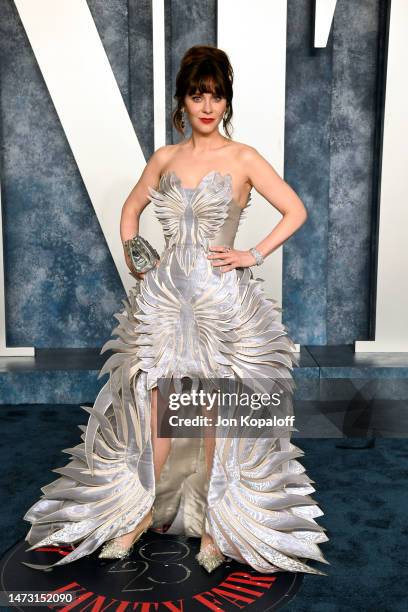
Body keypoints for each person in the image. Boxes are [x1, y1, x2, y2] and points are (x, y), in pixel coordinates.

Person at [22, 45, 329, 575]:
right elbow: (131, 209)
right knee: (157, 411)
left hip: (219, 303)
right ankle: (138, 512)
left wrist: (250, 255)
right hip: (165, 301)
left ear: (226, 101)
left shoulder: (244, 157)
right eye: (197, 94)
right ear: (182, 101)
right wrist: (136, 251)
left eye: (215, 95)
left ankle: (215, 522)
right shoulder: (165, 158)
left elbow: (296, 209)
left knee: (212, 411)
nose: (207, 105)